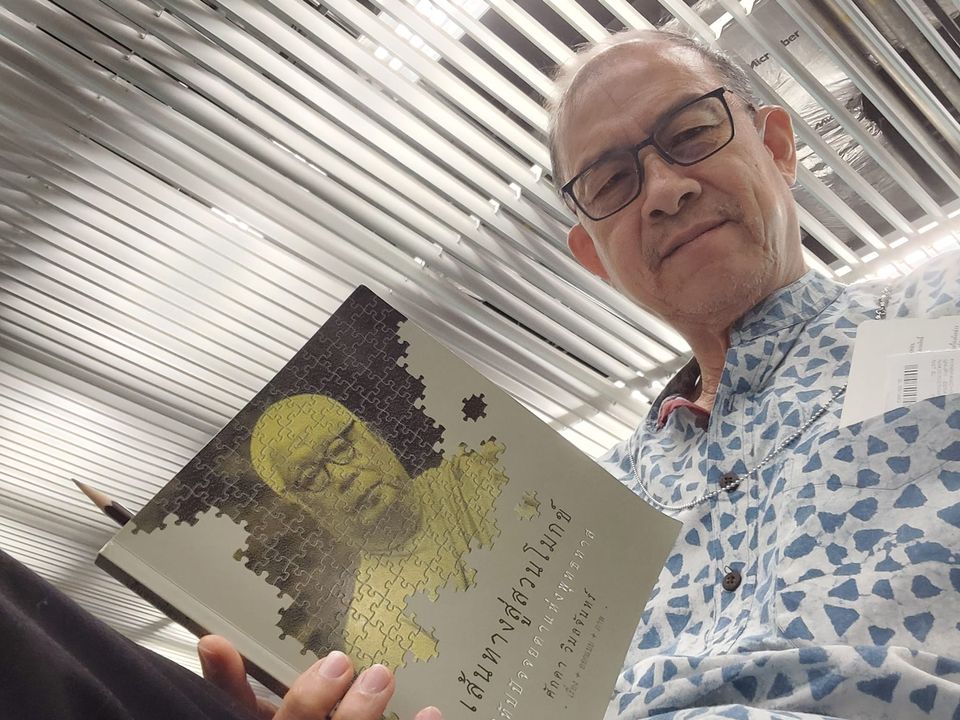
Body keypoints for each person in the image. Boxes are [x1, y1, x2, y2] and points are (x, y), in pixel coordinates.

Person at [2, 26, 957, 720]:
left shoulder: (942, 311)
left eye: (691, 133)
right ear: (595, 257)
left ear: (779, 147)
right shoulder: (577, 501)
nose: (665, 190)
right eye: (613, 181)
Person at [248, 394, 507, 670]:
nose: (343, 477)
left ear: (374, 437)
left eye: (340, 448)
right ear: (304, 507)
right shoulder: (373, 638)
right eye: (311, 477)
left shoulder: (482, 473)